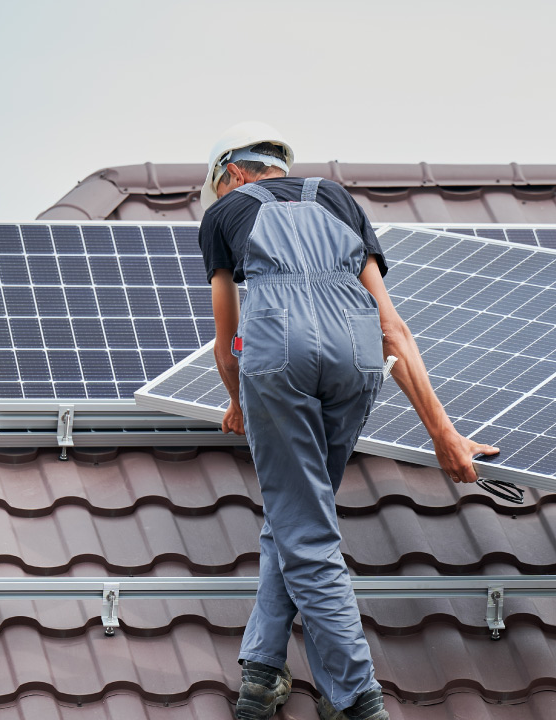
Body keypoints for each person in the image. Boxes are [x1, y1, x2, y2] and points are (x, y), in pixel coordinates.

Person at [198, 121, 498, 720]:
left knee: (305, 533)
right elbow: (393, 328)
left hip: (277, 354)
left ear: (230, 176)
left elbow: (226, 333)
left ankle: (357, 699)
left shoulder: (225, 214)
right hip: (356, 356)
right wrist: (445, 435)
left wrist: (237, 399)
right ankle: (261, 668)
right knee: (298, 510)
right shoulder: (336, 198)